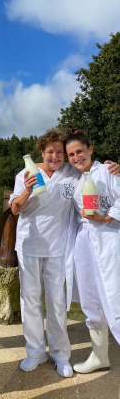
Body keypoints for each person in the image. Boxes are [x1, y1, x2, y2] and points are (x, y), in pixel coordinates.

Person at [9, 128, 119, 378]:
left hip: (59, 248)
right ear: (42, 152)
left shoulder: (71, 171)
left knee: (57, 303)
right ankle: (35, 352)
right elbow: (15, 209)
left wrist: (116, 169)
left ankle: (61, 355)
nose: (57, 157)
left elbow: (93, 169)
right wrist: (26, 190)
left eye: (61, 152)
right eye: (51, 152)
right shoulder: (26, 173)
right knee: (30, 301)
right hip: (29, 246)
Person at [64, 127, 120, 374]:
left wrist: (108, 218)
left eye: (80, 151)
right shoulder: (76, 179)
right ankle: (99, 356)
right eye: (71, 155)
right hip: (84, 241)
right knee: (90, 298)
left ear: (90, 150)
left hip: (108, 238)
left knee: (115, 296)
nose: (76, 157)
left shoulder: (107, 171)